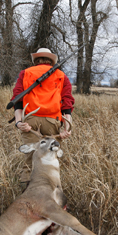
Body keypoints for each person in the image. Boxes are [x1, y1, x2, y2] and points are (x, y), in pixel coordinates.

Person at [11, 48, 75, 190]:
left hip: (30, 120)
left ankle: (26, 194)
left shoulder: (25, 73)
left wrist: (18, 122)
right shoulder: (61, 75)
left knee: (30, 159)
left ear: (36, 60)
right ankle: (51, 192)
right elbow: (67, 103)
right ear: (51, 61)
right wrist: (67, 128)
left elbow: (17, 99)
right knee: (50, 158)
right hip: (52, 121)